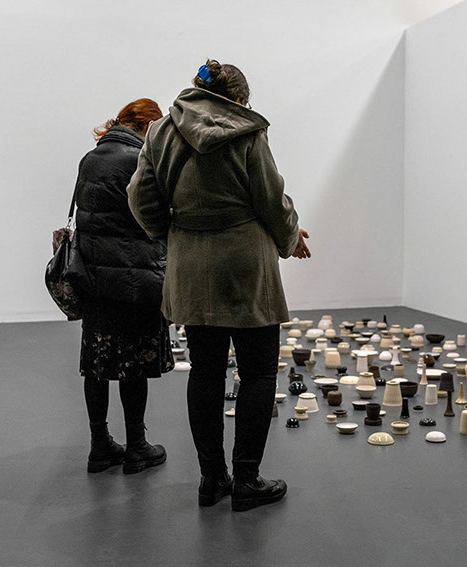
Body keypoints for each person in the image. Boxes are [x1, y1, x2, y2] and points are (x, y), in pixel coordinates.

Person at [127, 59, 311, 510]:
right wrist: (290, 238)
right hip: (246, 265)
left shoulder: (161, 131)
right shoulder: (247, 131)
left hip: (192, 268)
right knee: (258, 372)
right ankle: (247, 481)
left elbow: (140, 197)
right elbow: (271, 200)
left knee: (206, 372)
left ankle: (211, 480)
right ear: (239, 99)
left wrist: (174, 233)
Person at [73, 98, 172, 474]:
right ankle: (137, 446)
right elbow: (155, 215)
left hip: (94, 278)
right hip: (134, 277)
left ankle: (99, 446)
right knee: (134, 364)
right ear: (146, 127)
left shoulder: (90, 158)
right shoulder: (138, 160)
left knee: (97, 365)